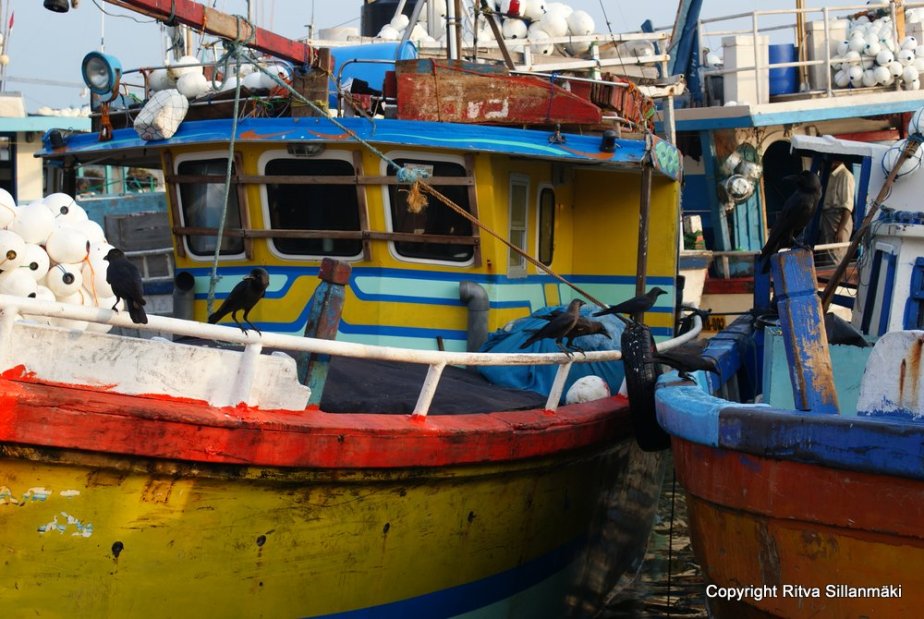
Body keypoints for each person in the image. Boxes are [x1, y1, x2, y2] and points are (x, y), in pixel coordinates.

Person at [820, 159, 855, 265]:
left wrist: (840, 230)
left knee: (835, 257)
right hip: (827, 219)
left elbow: (848, 207)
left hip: (838, 220)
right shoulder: (828, 175)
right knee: (825, 255)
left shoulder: (845, 175)